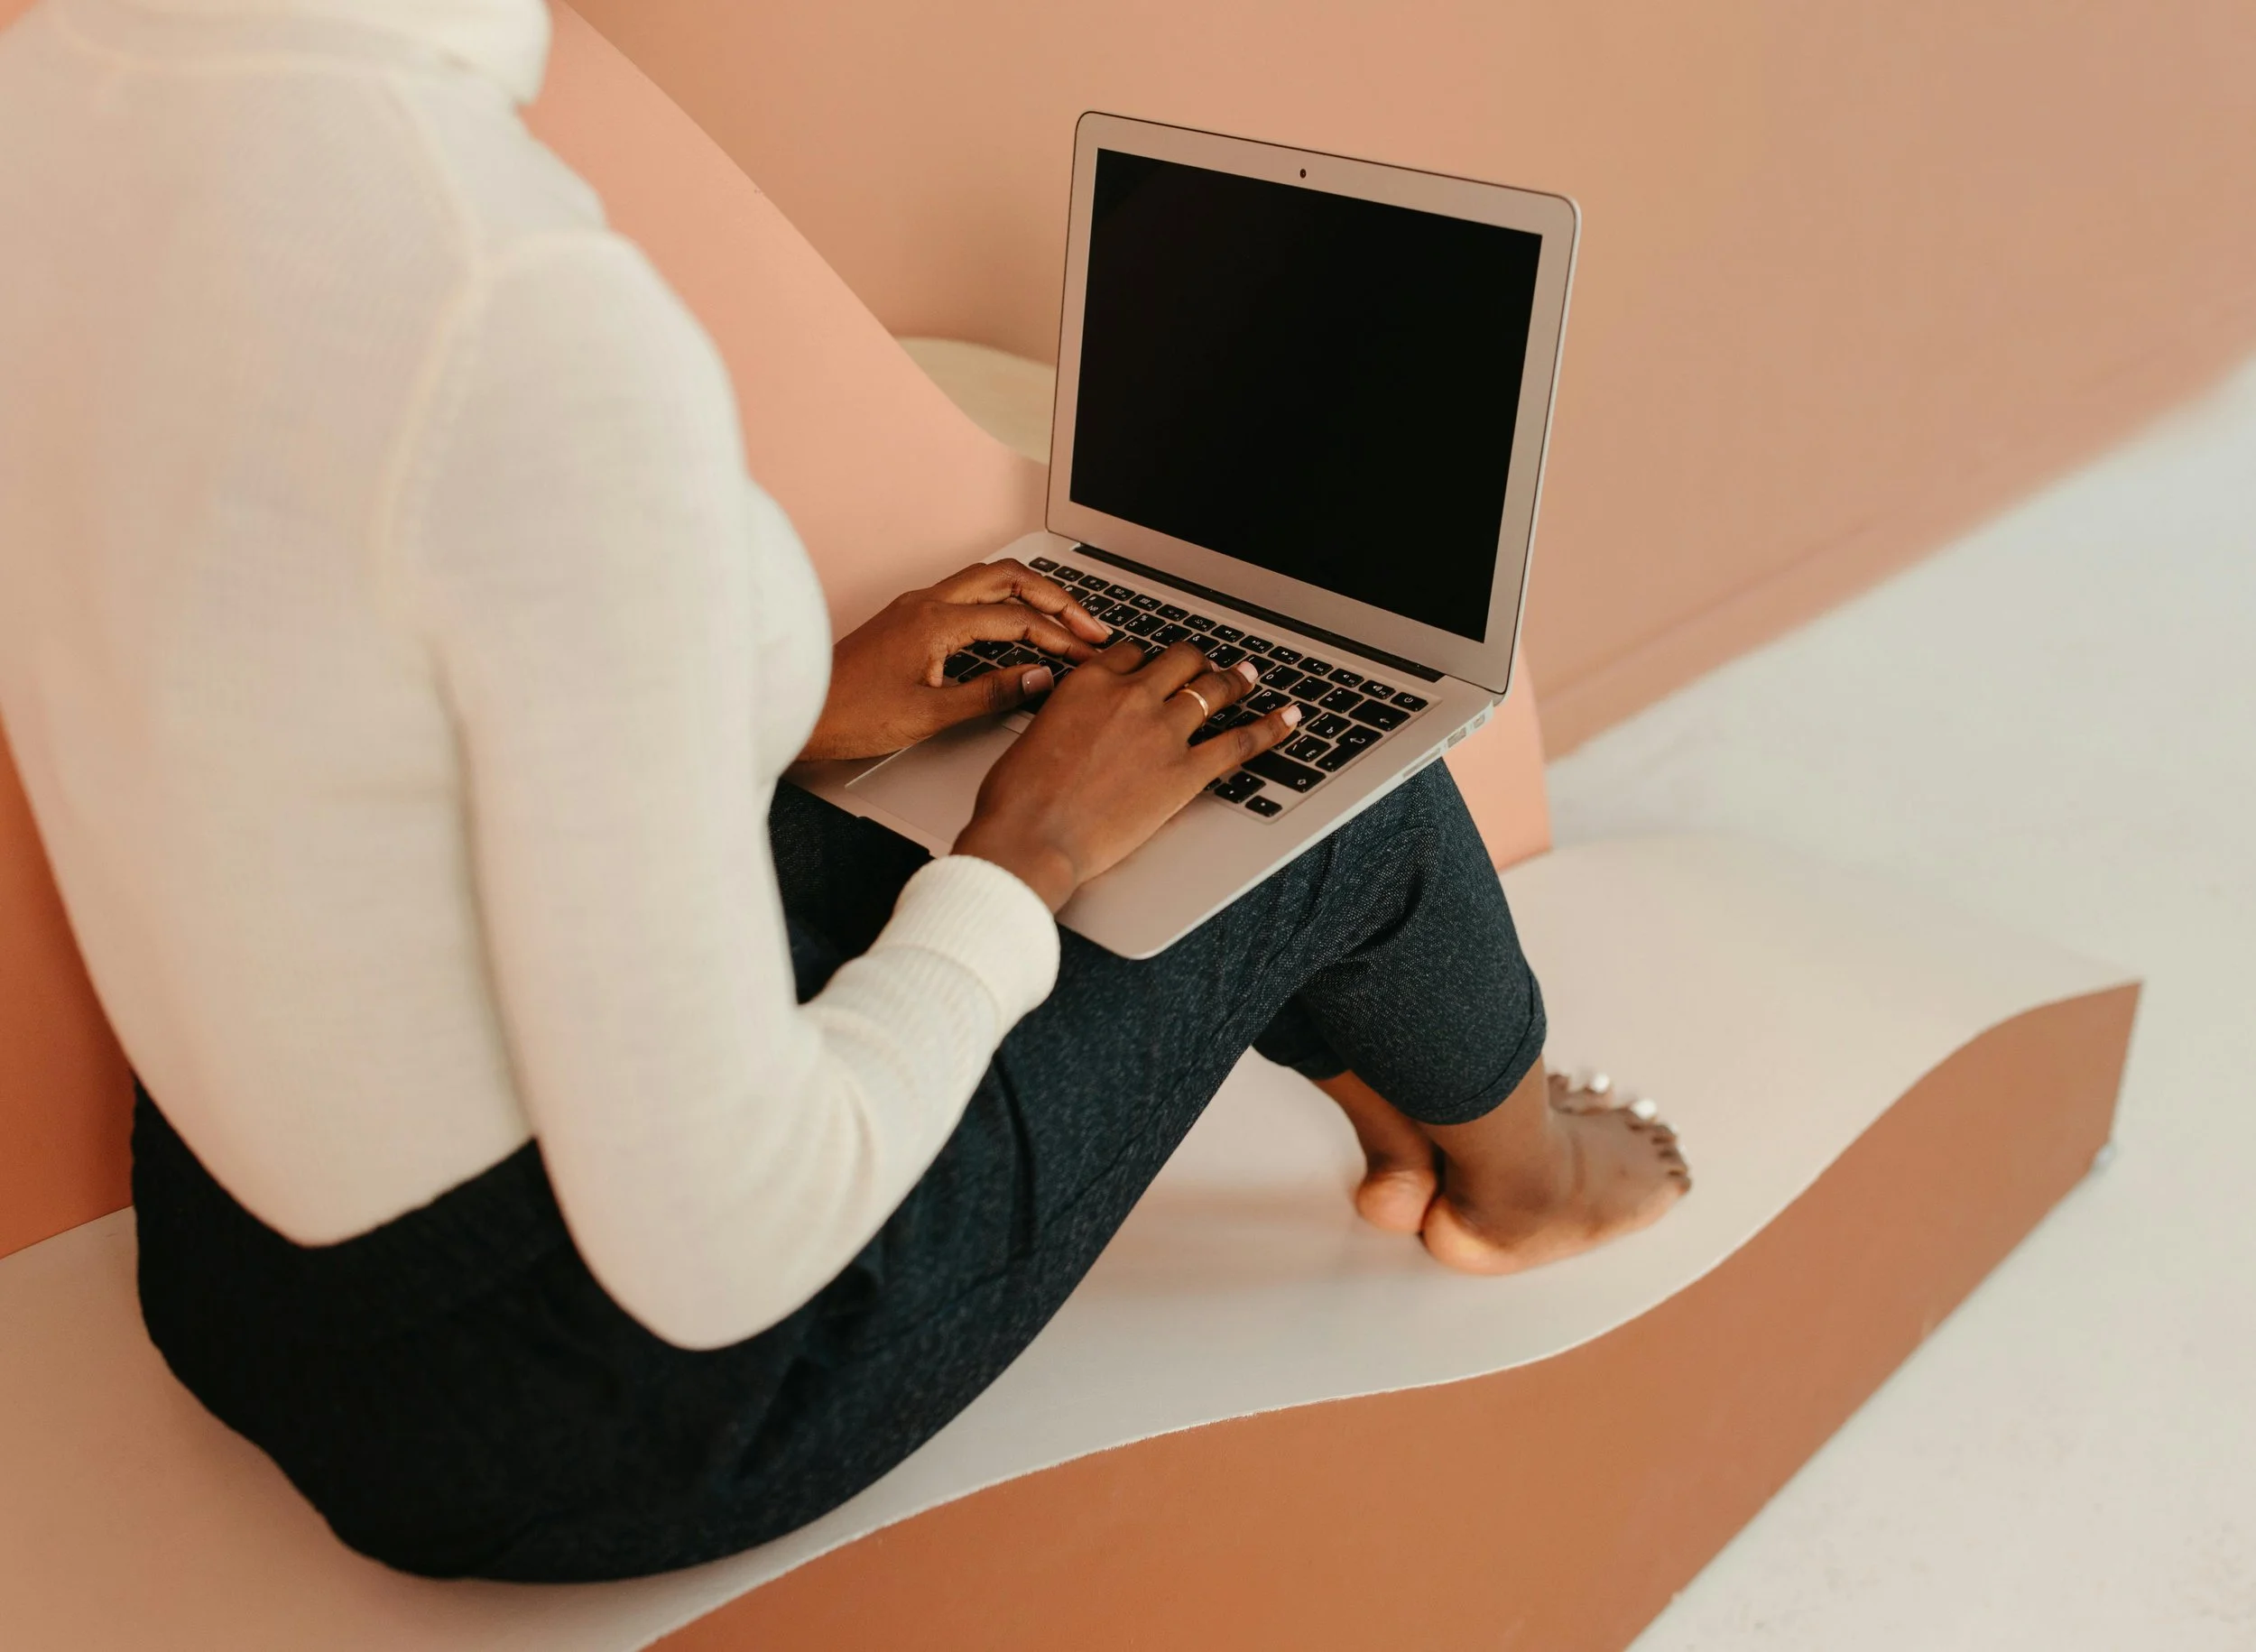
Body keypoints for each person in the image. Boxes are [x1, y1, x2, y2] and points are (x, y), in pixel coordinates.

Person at [0, 0, 1688, 1583]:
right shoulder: (504, 311)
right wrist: (1024, 857)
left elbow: (337, 742)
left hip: (235, 1270)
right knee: (1337, 796)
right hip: (589, 1405)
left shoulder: (59, 99)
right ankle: (1516, 1177)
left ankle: (1408, 1099)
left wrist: (789, 710)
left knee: (1146, 747)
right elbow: (727, 1245)